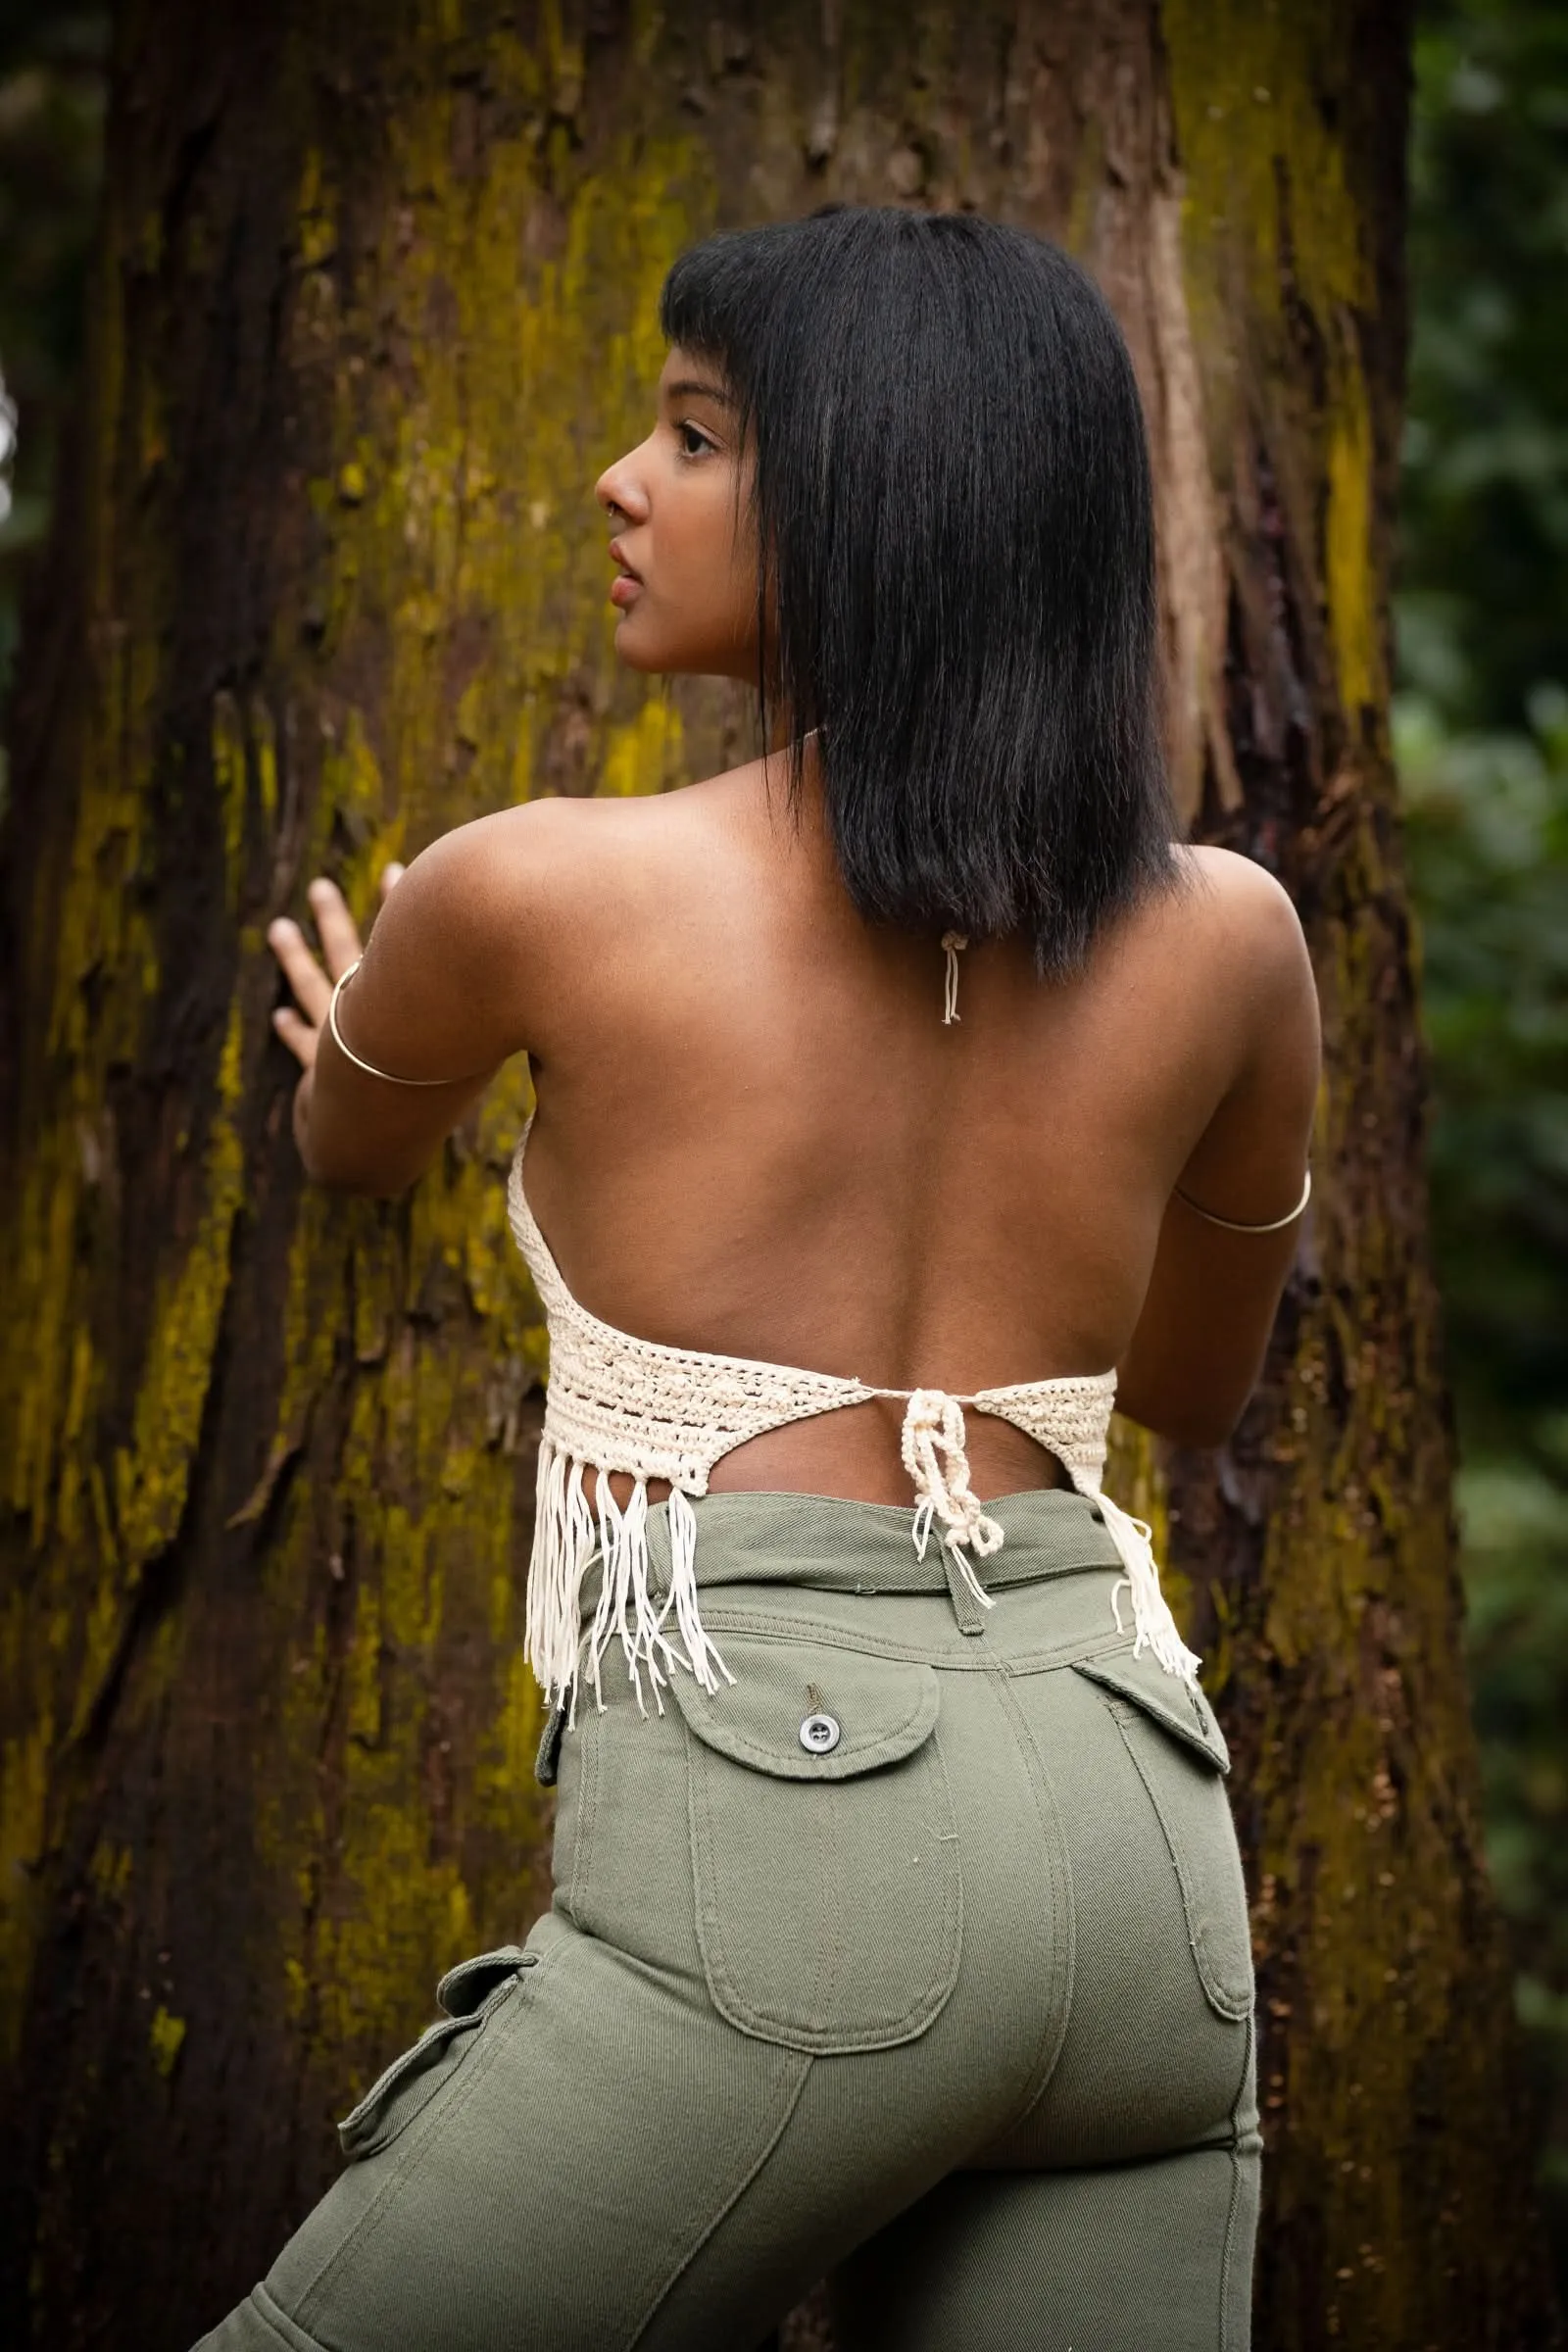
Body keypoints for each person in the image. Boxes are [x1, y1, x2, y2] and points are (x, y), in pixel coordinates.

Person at [198, 207, 1318, 2352]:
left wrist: (376, 1017)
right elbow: (1186, 1392)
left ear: (876, 511)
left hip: (791, 1851)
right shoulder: (1231, 941)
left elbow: (350, 1141)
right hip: (1138, 1857)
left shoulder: (530, 890)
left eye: (695, 437)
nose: (623, 483)